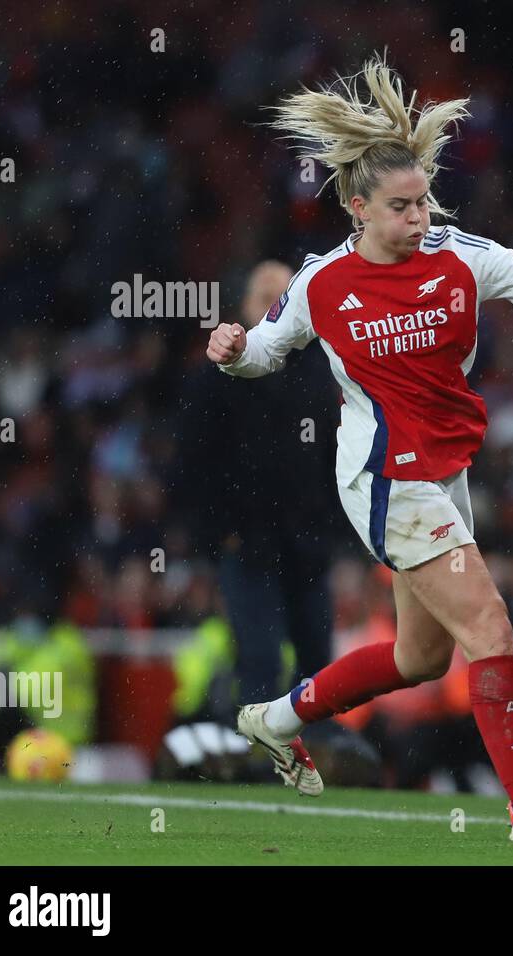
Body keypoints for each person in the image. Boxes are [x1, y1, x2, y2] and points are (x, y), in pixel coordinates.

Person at [206, 54, 513, 842]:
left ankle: (275, 718)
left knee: (421, 660)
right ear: (357, 208)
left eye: (422, 203)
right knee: (491, 628)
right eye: (401, 208)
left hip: (446, 472)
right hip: (385, 479)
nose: (419, 220)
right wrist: (233, 346)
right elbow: (265, 353)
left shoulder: (456, 253)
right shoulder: (321, 283)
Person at [176, 260, 339, 709]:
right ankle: (257, 763)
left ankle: (317, 755)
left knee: (318, 665)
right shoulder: (212, 377)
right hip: (247, 543)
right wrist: (217, 534)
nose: (273, 307)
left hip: (306, 542)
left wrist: (333, 531)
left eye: (282, 298)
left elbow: (335, 458)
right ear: (244, 305)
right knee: (259, 661)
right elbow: (191, 463)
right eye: (264, 298)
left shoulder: (321, 371)